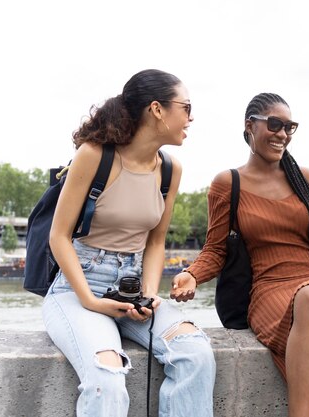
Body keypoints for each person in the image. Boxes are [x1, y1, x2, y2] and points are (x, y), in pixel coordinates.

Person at [171, 92, 309, 417]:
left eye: (290, 127)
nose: (283, 134)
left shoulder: (303, 179)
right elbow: (216, 249)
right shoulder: (227, 183)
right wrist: (192, 274)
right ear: (250, 125)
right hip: (268, 292)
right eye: (275, 124)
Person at [42, 69, 216, 417]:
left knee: (195, 353)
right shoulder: (94, 155)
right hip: (79, 287)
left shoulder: (170, 169)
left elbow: (155, 242)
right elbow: (58, 236)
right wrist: (90, 300)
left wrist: (149, 295)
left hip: (133, 286)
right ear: (157, 109)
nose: (191, 116)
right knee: (106, 376)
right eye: (186, 107)